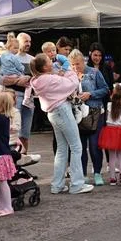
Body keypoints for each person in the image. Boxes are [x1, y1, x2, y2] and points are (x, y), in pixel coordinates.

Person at [27, 54, 93, 196]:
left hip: (53, 113)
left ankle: (57, 185)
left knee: (62, 148)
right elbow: (72, 83)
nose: (52, 61)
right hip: (62, 110)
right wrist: (68, 68)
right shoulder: (49, 78)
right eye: (49, 61)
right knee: (76, 147)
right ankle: (77, 184)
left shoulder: (38, 79)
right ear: (44, 67)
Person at [69, 49, 109, 186]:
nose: (76, 67)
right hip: (77, 113)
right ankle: (83, 174)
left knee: (94, 144)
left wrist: (90, 94)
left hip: (95, 113)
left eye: (78, 64)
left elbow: (105, 89)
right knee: (80, 146)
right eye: (73, 64)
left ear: (83, 61)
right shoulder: (69, 75)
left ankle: (97, 173)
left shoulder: (94, 72)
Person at [98, 84, 121, 184]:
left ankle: (112, 178)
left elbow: (105, 118)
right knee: (120, 154)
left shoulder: (108, 106)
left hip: (109, 131)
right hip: (120, 131)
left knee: (112, 156)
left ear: (112, 94)